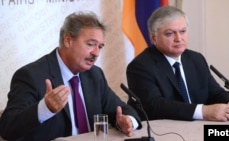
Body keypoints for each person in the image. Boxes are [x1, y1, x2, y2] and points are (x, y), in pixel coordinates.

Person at [0, 11, 142, 141]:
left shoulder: (95, 75)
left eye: (100, 47)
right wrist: (44, 108)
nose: (96, 53)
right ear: (68, 40)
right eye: (91, 44)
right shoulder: (31, 75)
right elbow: (7, 128)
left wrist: (128, 121)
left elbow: (122, 110)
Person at [126, 6, 229, 122]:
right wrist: (203, 111)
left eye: (183, 31)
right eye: (170, 33)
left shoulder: (196, 59)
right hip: (165, 133)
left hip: (198, 130)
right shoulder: (140, 67)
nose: (179, 38)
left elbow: (215, 92)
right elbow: (155, 106)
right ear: (153, 38)